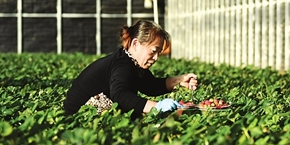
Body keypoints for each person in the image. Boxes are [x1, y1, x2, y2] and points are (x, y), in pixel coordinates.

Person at [63, 20, 197, 118]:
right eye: (153, 51)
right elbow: (120, 95)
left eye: (158, 53)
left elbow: (150, 86)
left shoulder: (131, 62)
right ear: (135, 44)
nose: (156, 58)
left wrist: (179, 81)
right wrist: (157, 107)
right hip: (78, 117)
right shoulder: (122, 65)